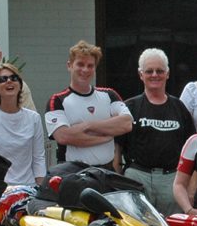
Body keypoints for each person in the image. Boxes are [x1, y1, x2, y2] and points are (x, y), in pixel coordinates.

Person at [117, 48, 194, 214]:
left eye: (159, 71)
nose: (154, 75)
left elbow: (192, 152)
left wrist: (191, 189)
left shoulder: (179, 108)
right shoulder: (129, 107)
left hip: (172, 179)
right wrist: (119, 180)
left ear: (167, 74)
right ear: (140, 74)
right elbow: (117, 149)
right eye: (149, 71)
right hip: (137, 176)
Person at [44, 40, 132, 171]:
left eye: (90, 66)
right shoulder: (57, 100)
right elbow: (63, 136)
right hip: (73, 173)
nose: (85, 70)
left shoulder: (109, 95)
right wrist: (106, 136)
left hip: (106, 171)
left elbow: (126, 124)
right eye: (80, 64)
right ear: (69, 65)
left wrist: (87, 126)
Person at [0, 63, 47, 188]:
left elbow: (38, 158)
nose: (9, 81)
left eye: (14, 78)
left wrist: (42, 189)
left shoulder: (34, 118)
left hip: (28, 188)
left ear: (20, 85)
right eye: (3, 79)